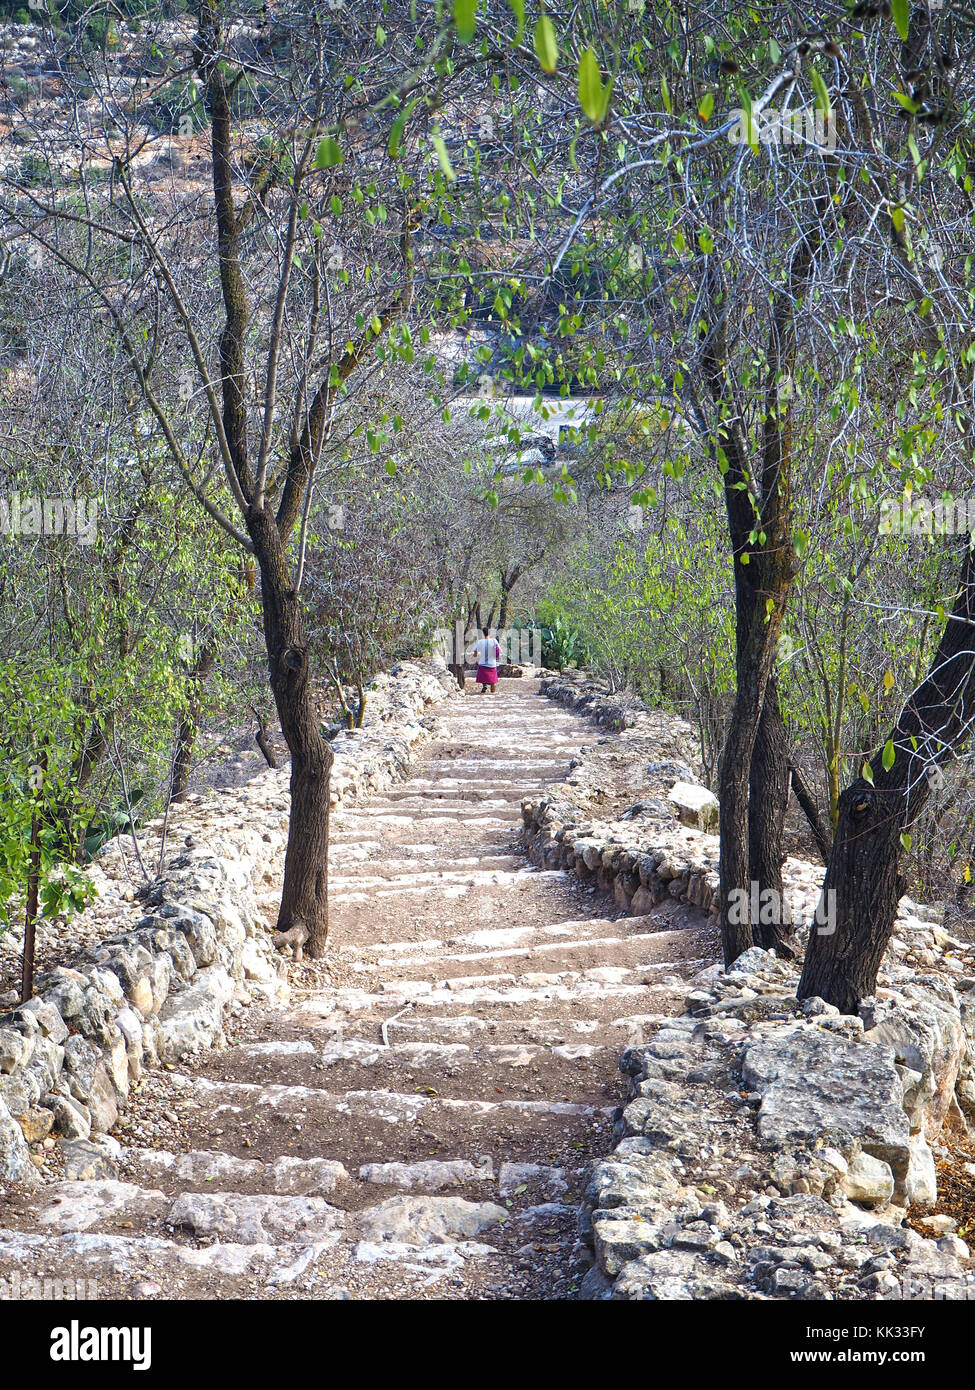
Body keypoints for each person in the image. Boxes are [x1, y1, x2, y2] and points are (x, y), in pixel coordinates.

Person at [473, 626, 501, 695]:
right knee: (492, 679)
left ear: (483, 633)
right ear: (490, 633)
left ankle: (484, 686)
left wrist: (475, 658)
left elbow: (475, 653)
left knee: (483, 676)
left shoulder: (480, 642)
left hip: (482, 663)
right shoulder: (494, 641)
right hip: (492, 664)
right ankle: (492, 690)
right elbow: (499, 651)